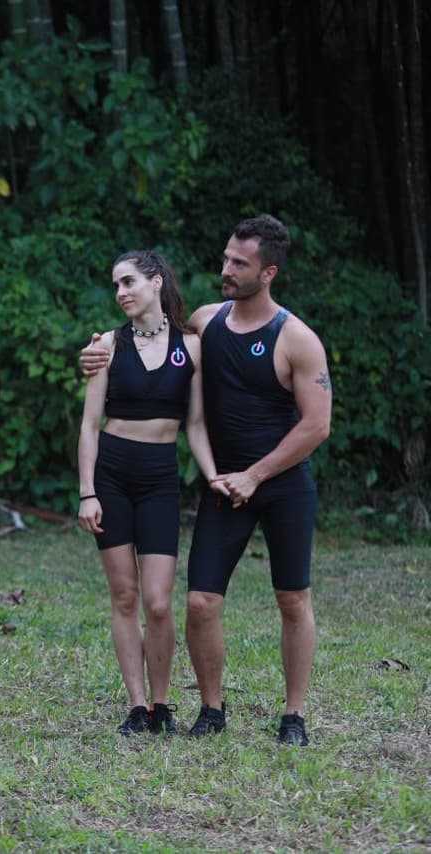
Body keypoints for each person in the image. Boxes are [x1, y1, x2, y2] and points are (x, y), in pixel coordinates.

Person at [81, 215, 331, 745]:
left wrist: (256, 475)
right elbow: (155, 351)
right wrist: (97, 352)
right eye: (225, 258)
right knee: (199, 602)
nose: (226, 269)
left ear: (268, 273)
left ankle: (294, 716)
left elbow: (317, 425)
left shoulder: (298, 339)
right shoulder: (206, 323)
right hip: (223, 485)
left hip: (281, 483)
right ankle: (212, 710)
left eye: (239, 264)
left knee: (292, 600)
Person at [77, 250, 225, 736]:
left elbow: (197, 425)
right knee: (125, 595)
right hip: (113, 476)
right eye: (116, 284)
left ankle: (163, 704)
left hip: (161, 477)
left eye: (129, 282)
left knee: (159, 601)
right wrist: (87, 492)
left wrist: (213, 476)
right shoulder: (107, 346)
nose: (120, 292)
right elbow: (90, 425)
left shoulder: (192, 345)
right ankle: (137, 706)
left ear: (156, 282)